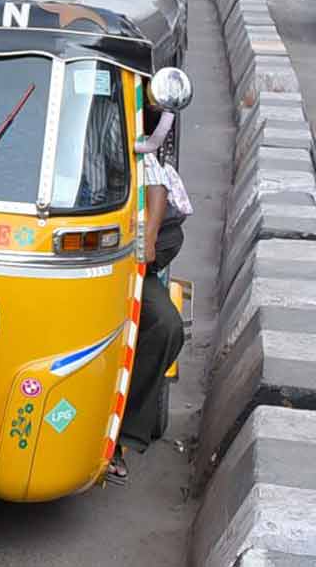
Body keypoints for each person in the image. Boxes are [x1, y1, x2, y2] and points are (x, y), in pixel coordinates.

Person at [113, 103, 190, 476]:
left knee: (166, 326)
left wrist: (149, 236)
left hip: (123, 265)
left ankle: (122, 435)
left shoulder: (116, 130)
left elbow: (154, 186)